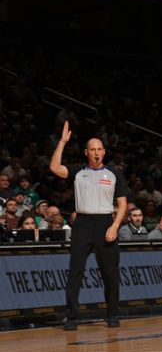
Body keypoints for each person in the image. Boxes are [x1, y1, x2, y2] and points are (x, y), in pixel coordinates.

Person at [49, 121, 127, 330]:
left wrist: (115, 226)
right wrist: (63, 142)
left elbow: (122, 204)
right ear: (86, 152)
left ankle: (112, 315)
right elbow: (54, 168)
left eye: (99, 149)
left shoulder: (114, 174)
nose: (96, 152)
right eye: (92, 149)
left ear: (103, 151)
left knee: (110, 273)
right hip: (82, 223)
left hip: (105, 223)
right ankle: (72, 317)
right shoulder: (78, 171)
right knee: (75, 271)